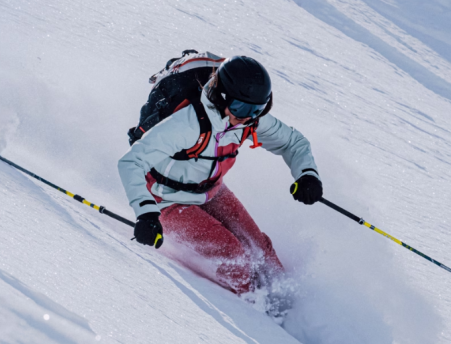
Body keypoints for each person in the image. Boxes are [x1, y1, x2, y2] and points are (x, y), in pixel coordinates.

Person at [118, 55, 323, 294]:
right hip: (166, 200)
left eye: (258, 109)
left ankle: (289, 303)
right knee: (233, 255)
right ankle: (254, 309)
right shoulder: (187, 123)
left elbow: (293, 143)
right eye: (241, 108)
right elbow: (131, 162)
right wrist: (146, 214)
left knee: (260, 249)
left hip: (211, 190)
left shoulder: (248, 120)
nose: (248, 116)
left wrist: (307, 174)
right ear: (220, 96)